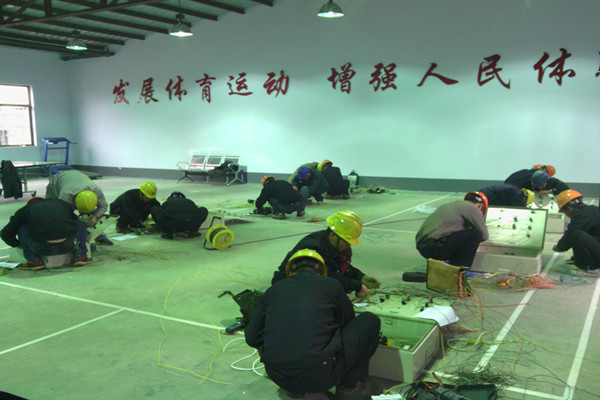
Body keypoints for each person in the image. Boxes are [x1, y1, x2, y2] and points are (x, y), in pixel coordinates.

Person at [245, 249, 382, 400]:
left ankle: (297, 383)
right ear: (320, 272)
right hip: (320, 377)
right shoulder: (331, 285)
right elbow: (347, 322)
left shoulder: (273, 291)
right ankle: (349, 386)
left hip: (279, 377)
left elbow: (251, 337)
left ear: (291, 272)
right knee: (370, 320)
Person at [272, 210, 380, 298]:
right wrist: (357, 286)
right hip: (289, 289)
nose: (348, 245)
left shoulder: (338, 246)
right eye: (346, 241)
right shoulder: (312, 248)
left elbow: (339, 266)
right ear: (332, 235)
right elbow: (326, 276)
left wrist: (360, 276)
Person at [1, 197, 92, 270]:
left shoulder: (25, 210)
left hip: (41, 248)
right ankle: (81, 256)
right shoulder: (61, 204)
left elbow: (5, 233)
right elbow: (78, 223)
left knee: (22, 227)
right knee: (80, 223)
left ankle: (34, 261)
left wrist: (18, 245)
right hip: (68, 244)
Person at [415, 192, 489, 268]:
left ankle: (450, 263)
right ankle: (460, 269)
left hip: (424, 246)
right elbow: (484, 235)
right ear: (481, 206)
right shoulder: (472, 208)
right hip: (436, 247)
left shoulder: (449, 206)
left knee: (462, 235)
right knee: (475, 234)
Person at [45, 169, 113, 246]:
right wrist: (78, 218)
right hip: (57, 182)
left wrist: (94, 217)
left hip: (76, 177)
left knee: (91, 213)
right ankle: (60, 239)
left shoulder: (96, 191)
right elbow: (63, 212)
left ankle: (100, 237)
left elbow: (103, 206)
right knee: (53, 213)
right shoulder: (66, 196)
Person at [553, 190, 600, 271]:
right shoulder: (593, 209)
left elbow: (568, 236)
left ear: (569, 208)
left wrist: (558, 247)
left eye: (564, 212)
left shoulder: (580, 217)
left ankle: (588, 265)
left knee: (575, 234)